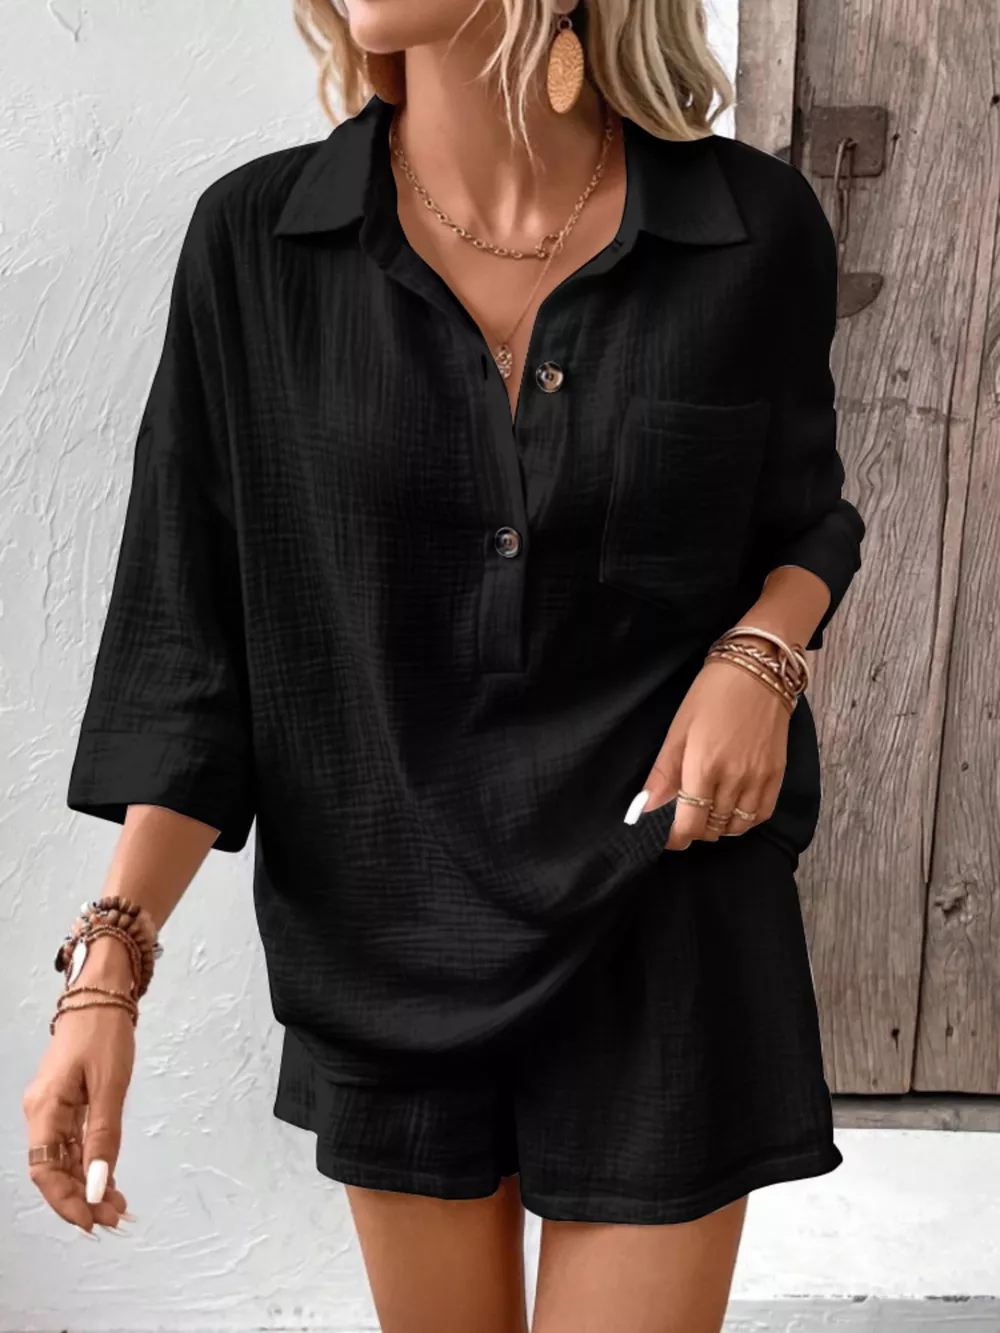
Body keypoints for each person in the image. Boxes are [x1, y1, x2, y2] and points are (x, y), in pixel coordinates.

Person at [23, 1, 866, 1330]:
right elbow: (190, 645)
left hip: (668, 908)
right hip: (386, 927)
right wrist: (108, 970)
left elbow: (809, 516)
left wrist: (763, 650)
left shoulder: (748, 227)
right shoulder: (259, 242)